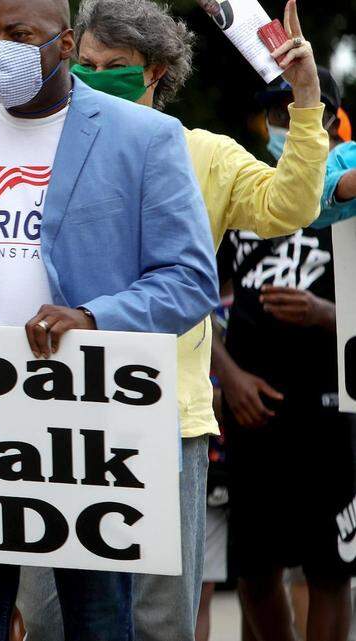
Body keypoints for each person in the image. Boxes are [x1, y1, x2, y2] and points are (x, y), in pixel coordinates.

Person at [0, 0, 220, 637]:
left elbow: (191, 280)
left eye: (19, 35)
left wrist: (93, 319)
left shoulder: (144, 138)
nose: (0, 50)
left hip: (96, 431)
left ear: (66, 44)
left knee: (101, 619)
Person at [13, 1, 329, 640]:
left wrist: (304, 100)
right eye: (89, 64)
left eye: (118, 67)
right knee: (48, 620)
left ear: (156, 72)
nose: (97, 77)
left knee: (160, 622)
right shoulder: (35, 148)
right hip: (52, 412)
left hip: (164, 419)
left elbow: (289, 206)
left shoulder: (203, 154)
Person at [211, 66, 356, 641]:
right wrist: (229, 379)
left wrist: (326, 316)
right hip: (251, 407)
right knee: (254, 570)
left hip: (331, 408)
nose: (283, 126)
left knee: (330, 571)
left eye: (297, 112)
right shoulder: (244, 192)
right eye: (274, 116)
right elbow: (191, 298)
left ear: (328, 119)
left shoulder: (348, 189)